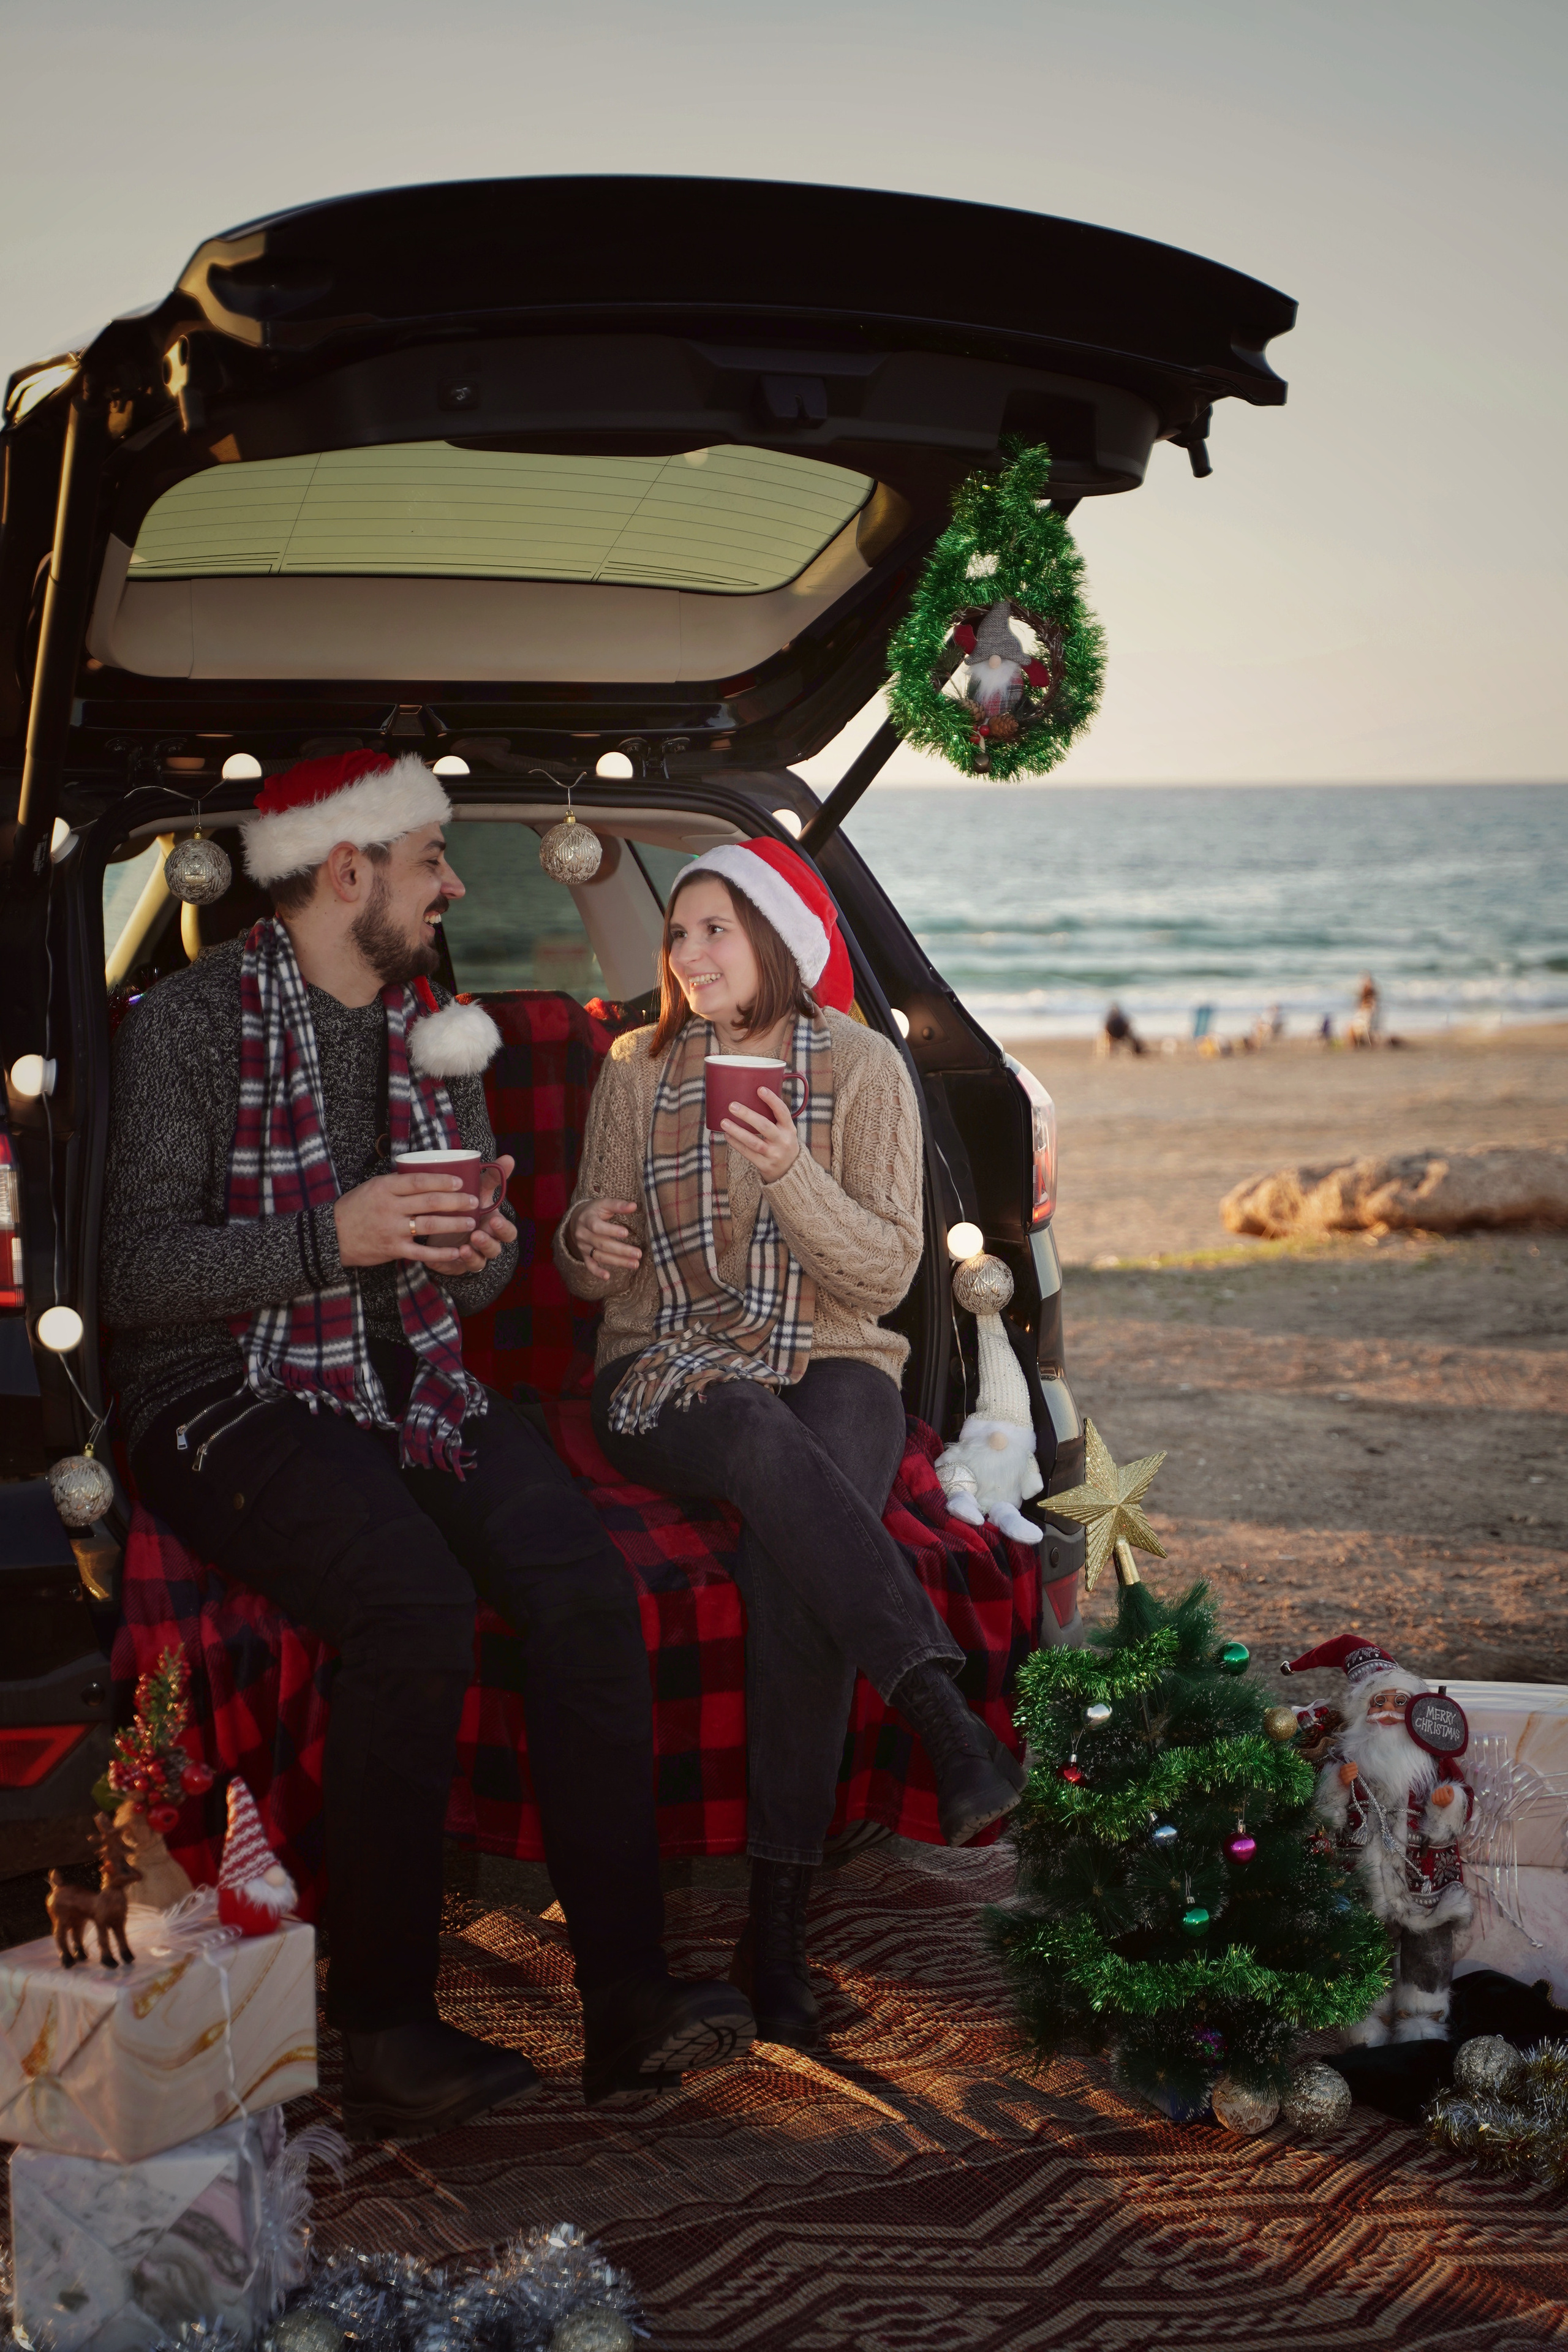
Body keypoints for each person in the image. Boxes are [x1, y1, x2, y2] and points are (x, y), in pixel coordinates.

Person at [103, 750, 753, 2138]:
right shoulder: (188, 1025)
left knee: (581, 1592)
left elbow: (454, 1288)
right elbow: (131, 1275)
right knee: (415, 1606)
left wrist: (482, 1248)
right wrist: (323, 1239)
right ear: (349, 872)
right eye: (432, 861)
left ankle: (629, 2002)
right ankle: (387, 2023)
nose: (455, 885)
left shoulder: (437, 1029)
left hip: (405, 1369)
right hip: (218, 1385)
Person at [554, 839, 1024, 2051]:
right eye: (681, 935)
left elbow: (881, 1273)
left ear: (775, 938)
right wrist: (586, 1246)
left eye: (716, 928)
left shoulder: (863, 1067)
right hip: (659, 1362)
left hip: (835, 1356)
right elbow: (582, 1252)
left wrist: (789, 1171)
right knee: (756, 1431)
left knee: (790, 1564)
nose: (691, 954)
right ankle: (938, 1710)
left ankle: (774, 1929)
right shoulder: (635, 1070)